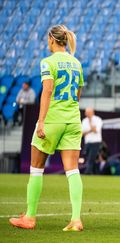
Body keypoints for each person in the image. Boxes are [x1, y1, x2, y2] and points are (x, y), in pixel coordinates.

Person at [9, 25, 84, 231]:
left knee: (36, 169)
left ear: (52, 39)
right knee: (73, 171)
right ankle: (76, 219)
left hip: (53, 120)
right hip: (73, 120)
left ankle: (30, 217)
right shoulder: (77, 63)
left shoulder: (48, 62)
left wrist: (41, 121)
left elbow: (47, 91)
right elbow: (78, 95)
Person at [81, 107, 103, 175]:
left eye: (88, 112)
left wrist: (90, 126)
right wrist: (91, 129)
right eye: (86, 112)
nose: (87, 114)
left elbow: (96, 130)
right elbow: (82, 133)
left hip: (96, 142)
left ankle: (87, 172)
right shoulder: (84, 121)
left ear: (92, 112)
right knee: (88, 158)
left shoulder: (98, 119)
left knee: (91, 158)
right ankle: (94, 172)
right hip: (87, 143)